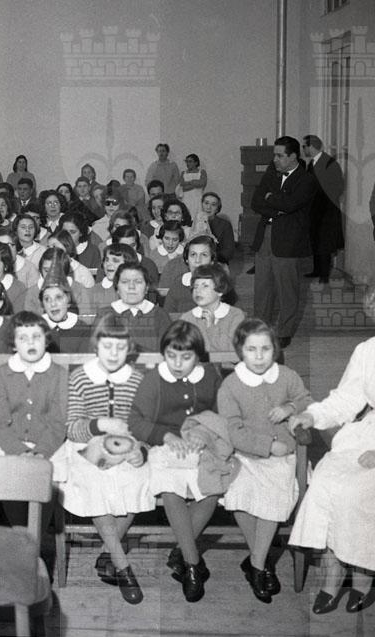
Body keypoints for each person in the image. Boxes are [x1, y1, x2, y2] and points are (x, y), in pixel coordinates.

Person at [50, 314, 149, 605]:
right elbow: (72, 427)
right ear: (96, 346)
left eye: (120, 347)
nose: (114, 354)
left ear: (130, 348)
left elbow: (144, 424)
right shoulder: (81, 377)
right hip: (85, 446)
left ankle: (108, 552)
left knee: (140, 477)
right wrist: (99, 425)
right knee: (96, 483)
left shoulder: (136, 379)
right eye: (107, 347)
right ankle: (123, 566)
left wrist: (139, 449)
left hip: (125, 445)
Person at [217, 318, 312, 604]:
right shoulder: (231, 385)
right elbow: (232, 430)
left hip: (284, 457)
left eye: (265, 349)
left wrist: (290, 407)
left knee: (275, 492)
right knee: (238, 492)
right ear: (240, 351)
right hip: (246, 454)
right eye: (251, 350)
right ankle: (261, 558)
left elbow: (307, 400)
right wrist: (267, 446)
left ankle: (257, 566)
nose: (259, 357)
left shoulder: (287, 376)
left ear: (275, 350)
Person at [128, 320, 222, 602]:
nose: (178, 364)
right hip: (164, 447)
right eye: (171, 356)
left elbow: (221, 415)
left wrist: (204, 433)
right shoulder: (153, 379)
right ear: (164, 354)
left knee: (210, 491)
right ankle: (193, 564)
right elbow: (135, 421)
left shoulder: (209, 376)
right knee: (171, 490)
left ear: (198, 356)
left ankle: (180, 552)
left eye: (186, 357)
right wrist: (166, 436)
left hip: (199, 447)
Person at [289, 334, 375, 615]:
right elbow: (346, 398)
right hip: (364, 434)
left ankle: (364, 576)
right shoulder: (368, 349)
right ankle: (332, 574)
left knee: (357, 491)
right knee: (323, 483)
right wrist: (313, 416)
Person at [251, 135, 317, 349]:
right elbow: (255, 202)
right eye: (275, 155)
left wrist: (271, 198)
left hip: (289, 241)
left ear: (293, 156)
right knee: (262, 288)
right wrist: (276, 208)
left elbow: (291, 204)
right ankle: (260, 328)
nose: (275, 159)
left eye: (280, 156)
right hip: (265, 236)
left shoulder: (306, 180)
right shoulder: (271, 173)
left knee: (287, 289)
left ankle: (284, 331)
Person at [0, 310, 67, 459]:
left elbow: (58, 423)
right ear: (14, 344)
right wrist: (20, 451)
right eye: (22, 338)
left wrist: (41, 452)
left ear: (46, 340)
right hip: (8, 445)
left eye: (36, 337)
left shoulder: (59, 374)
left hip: (50, 446)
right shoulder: (1, 374)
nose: (31, 342)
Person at [93, 263, 171, 352]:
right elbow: (94, 351)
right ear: (117, 288)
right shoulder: (104, 314)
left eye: (138, 282)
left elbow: (167, 352)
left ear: (146, 288)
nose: (131, 287)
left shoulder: (160, 315)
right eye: (125, 282)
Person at [302, 135, 344, 284]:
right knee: (315, 240)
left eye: (304, 146)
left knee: (325, 244)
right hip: (314, 211)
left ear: (311, 147)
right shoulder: (311, 164)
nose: (303, 150)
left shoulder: (330, 163)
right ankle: (317, 270)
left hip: (327, 211)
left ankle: (324, 275)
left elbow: (338, 186)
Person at [180, 264, 245, 353]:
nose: (198, 291)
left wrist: (211, 327)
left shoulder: (235, 316)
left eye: (205, 286)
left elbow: (233, 352)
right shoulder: (187, 318)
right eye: (195, 286)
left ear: (220, 291)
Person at [37, 251, 90, 353]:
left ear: (68, 300)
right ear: (42, 304)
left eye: (58, 297)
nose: (53, 304)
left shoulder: (82, 330)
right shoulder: (37, 329)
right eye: (47, 299)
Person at [87, 244, 139, 315]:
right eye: (106, 260)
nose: (109, 264)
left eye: (115, 261)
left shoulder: (137, 289)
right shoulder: (93, 292)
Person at [201, 192, 235, 265]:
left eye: (213, 205)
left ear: (217, 209)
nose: (208, 207)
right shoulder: (194, 223)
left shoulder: (225, 225)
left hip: (218, 262)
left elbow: (229, 252)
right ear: (202, 205)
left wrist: (210, 258)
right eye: (206, 203)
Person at [177, 154, 207, 221]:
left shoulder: (202, 172)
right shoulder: (183, 173)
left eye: (190, 161)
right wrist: (195, 183)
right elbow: (182, 185)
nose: (188, 163)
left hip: (198, 199)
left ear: (196, 162)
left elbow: (202, 183)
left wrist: (188, 183)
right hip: (186, 199)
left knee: (198, 218)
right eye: (187, 161)